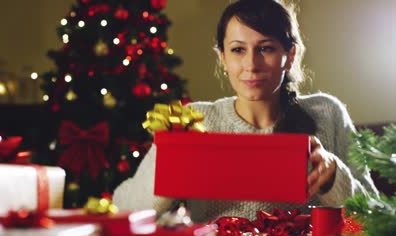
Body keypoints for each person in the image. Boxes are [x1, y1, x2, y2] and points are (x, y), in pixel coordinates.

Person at [113, 0, 379, 223]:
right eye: (238, 50)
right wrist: (169, 174)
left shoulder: (327, 113)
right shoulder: (194, 121)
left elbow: (377, 215)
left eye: (266, 48)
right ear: (223, 58)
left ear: (290, 55)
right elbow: (124, 207)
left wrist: (334, 176)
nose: (251, 64)